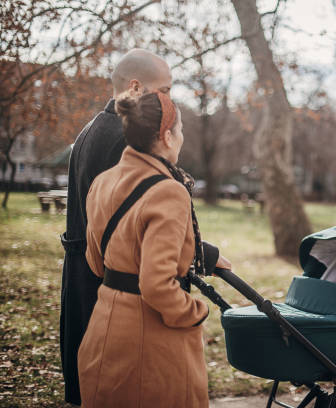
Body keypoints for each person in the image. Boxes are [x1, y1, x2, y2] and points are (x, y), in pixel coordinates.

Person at [59, 48, 219, 405]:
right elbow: (140, 223)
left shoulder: (91, 129)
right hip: (121, 300)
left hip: (92, 283)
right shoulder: (124, 141)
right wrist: (193, 312)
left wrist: (206, 254)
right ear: (135, 88)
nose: (168, 99)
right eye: (164, 89)